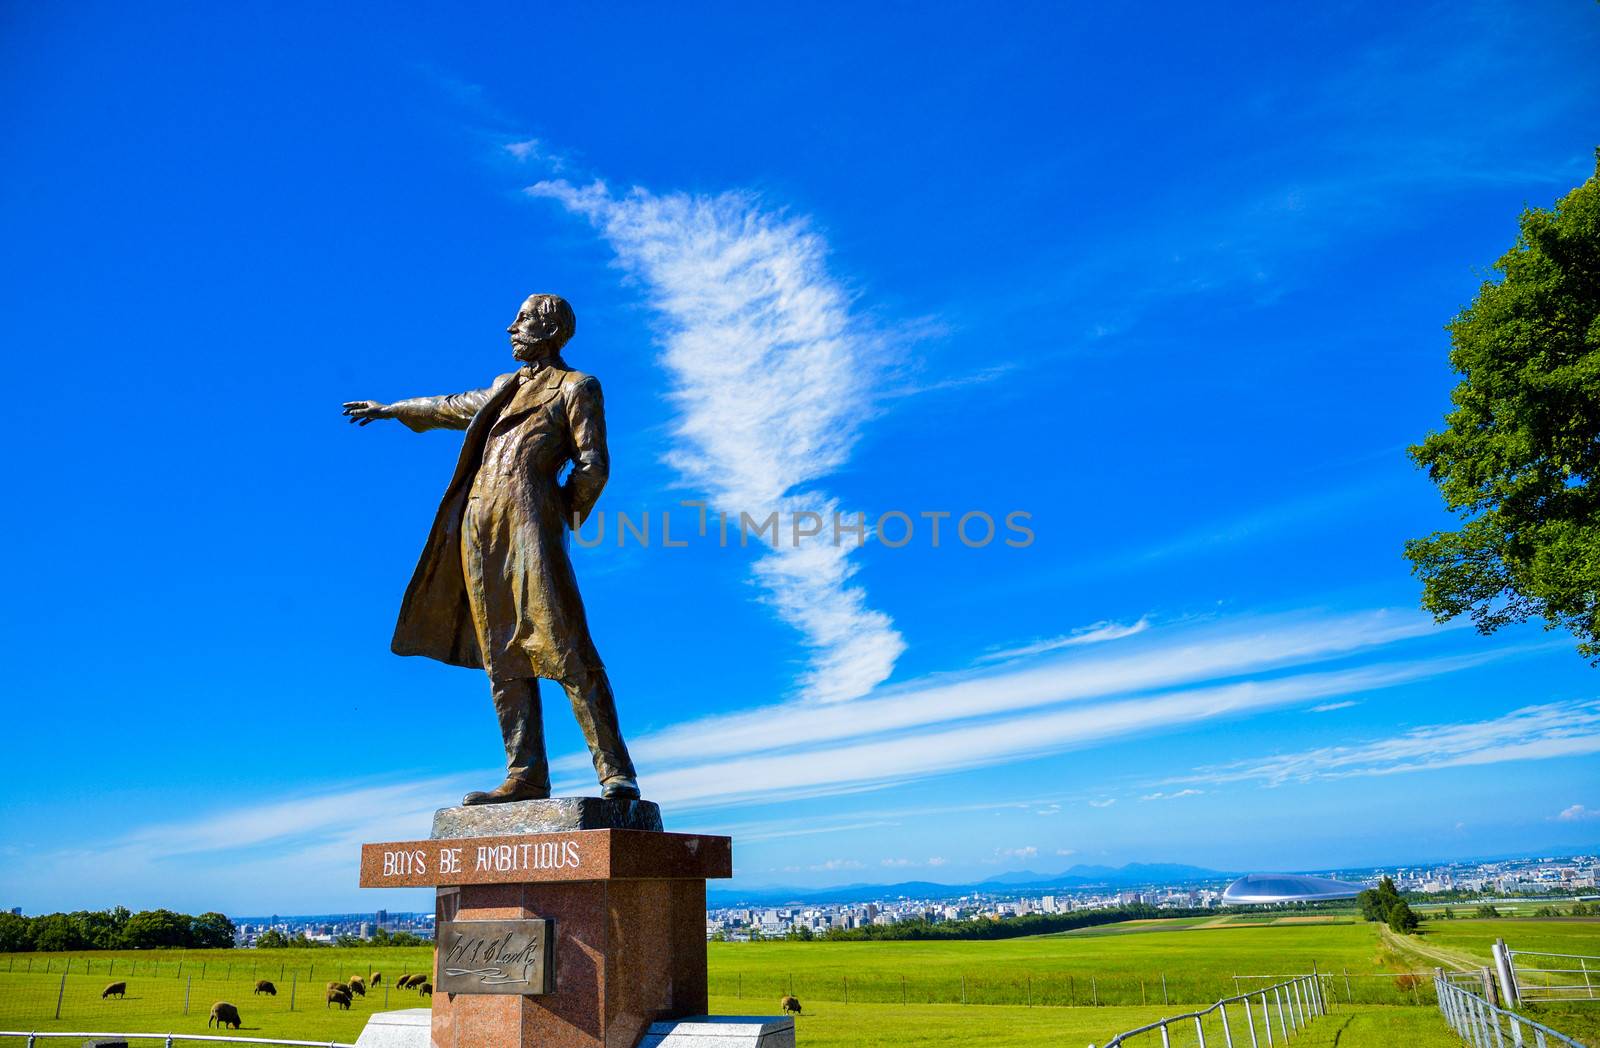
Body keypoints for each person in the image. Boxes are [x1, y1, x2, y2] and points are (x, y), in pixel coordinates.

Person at [342, 294, 639, 805]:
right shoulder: (503, 388)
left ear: (550, 329)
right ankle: (525, 774)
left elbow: (594, 466)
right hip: (479, 531)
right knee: (501, 653)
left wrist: (556, 517)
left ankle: (615, 773)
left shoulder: (576, 387)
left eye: (522, 320)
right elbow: (450, 406)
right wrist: (393, 410)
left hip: (531, 526)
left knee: (565, 645)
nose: (511, 328)